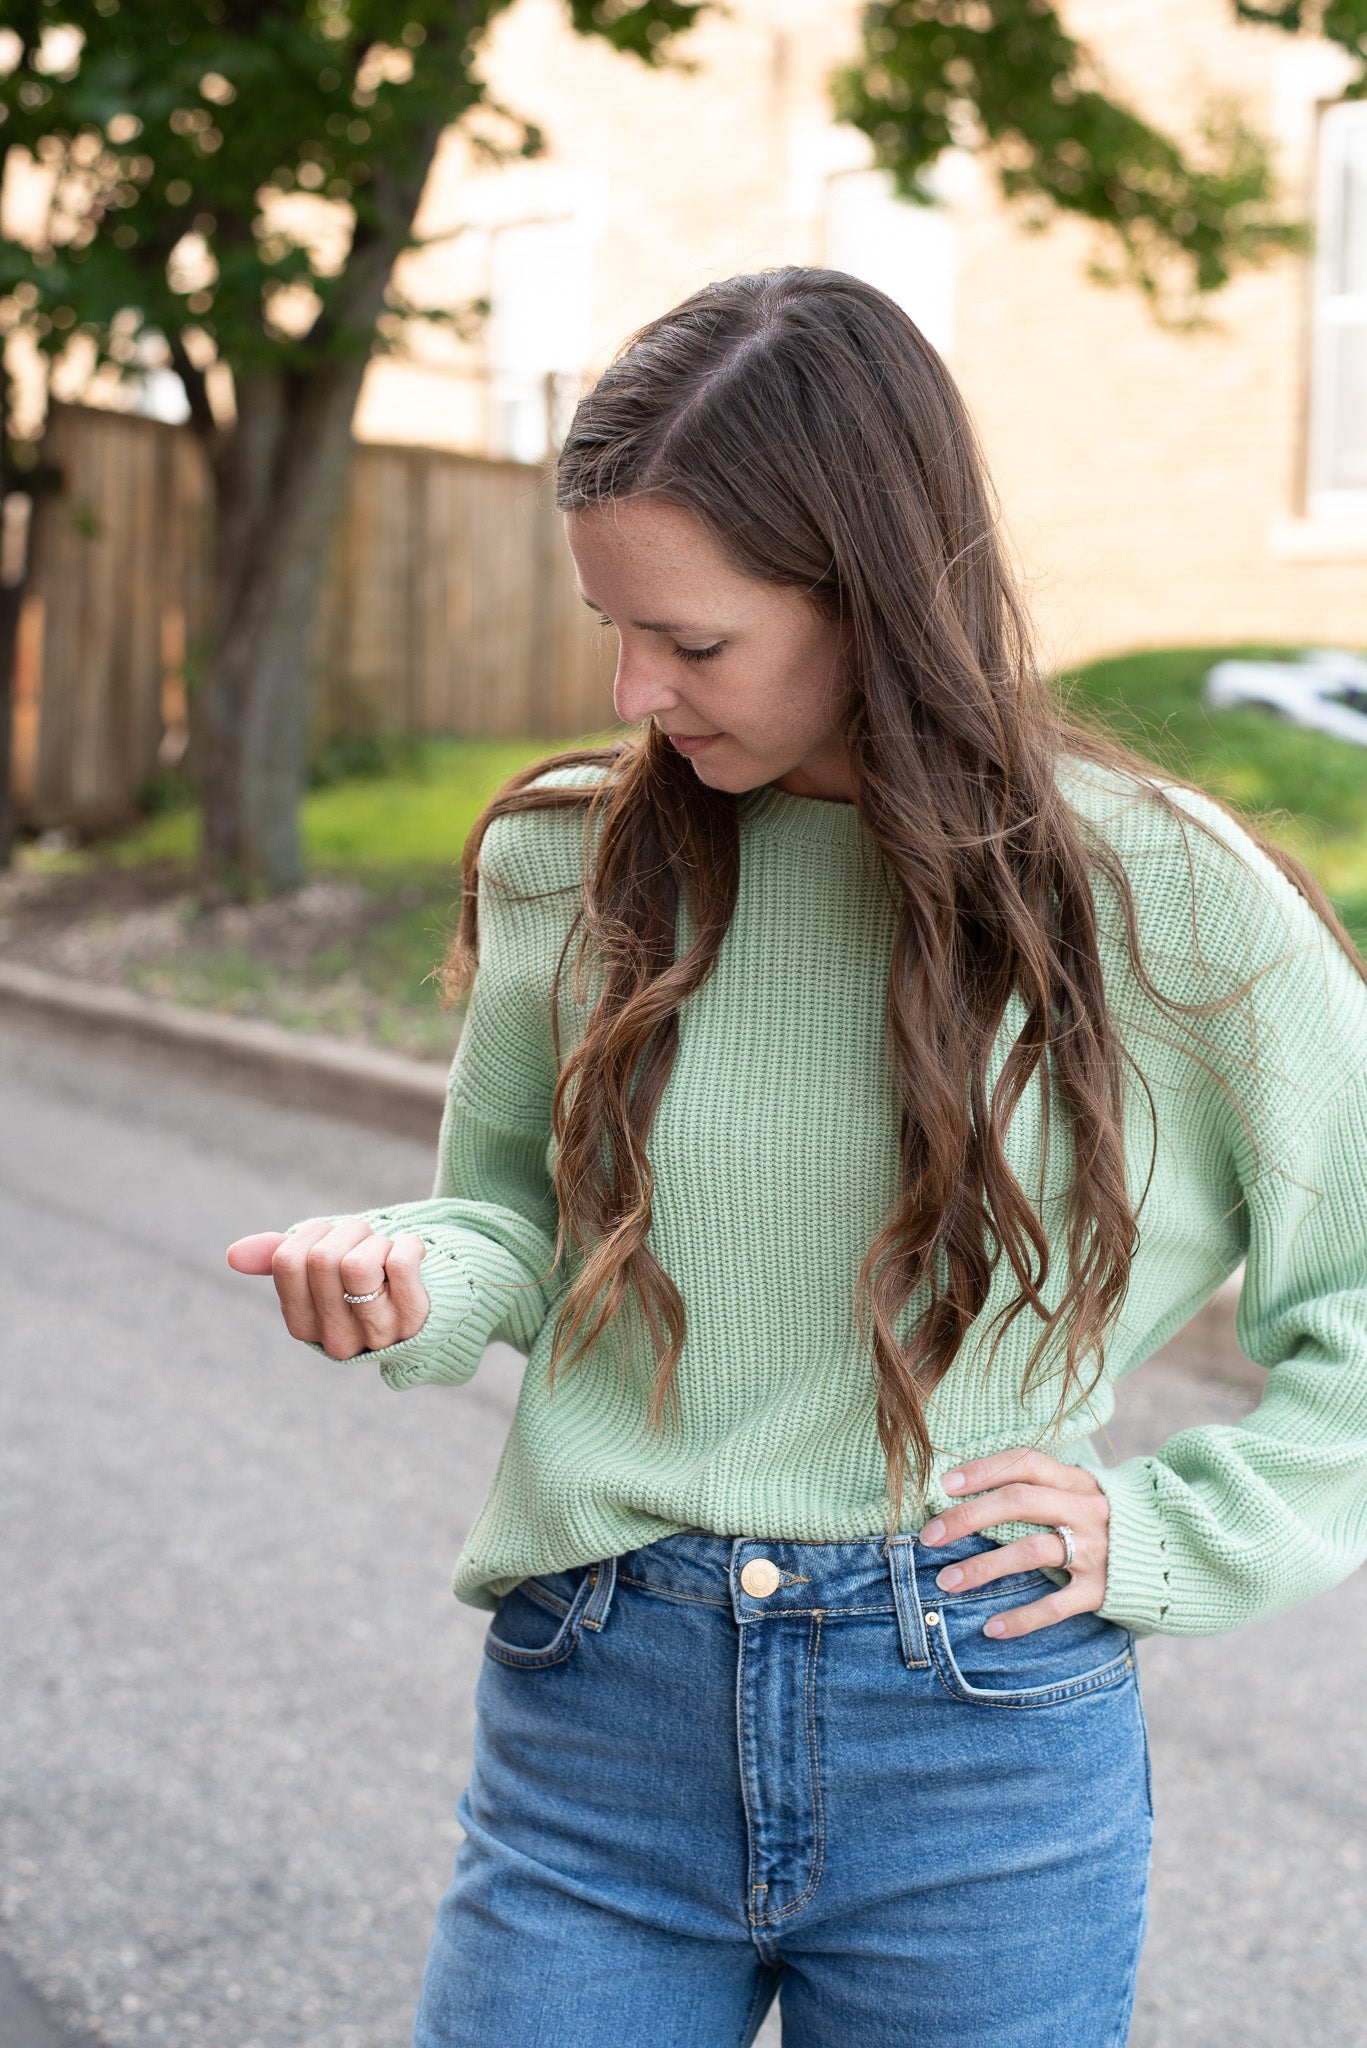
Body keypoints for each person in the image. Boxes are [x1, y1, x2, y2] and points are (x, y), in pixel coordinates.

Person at [227, 269, 1367, 2048]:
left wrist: (1181, 1530)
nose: (635, 688)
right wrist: (411, 1274)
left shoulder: (1155, 892)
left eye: (695, 642)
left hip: (978, 1740)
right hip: (601, 1708)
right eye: (612, 629)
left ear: (876, 600)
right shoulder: (565, 863)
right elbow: (508, 1215)